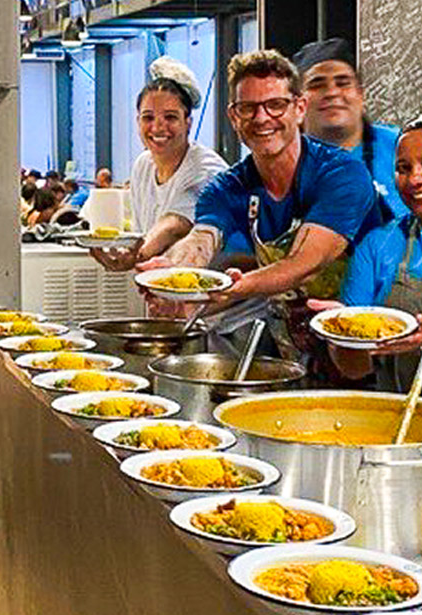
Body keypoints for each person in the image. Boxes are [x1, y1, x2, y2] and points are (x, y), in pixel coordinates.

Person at [145, 50, 383, 362]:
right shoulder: (228, 187)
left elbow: (305, 263)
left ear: (299, 109)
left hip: (369, 345)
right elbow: (202, 238)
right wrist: (172, 272)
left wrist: (235, 287)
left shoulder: (340, 174)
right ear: (234, 117)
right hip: (295, 348)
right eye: (248, 108)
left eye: (275, 105)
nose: (261, 118)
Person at [91, 57, 228, 272]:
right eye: (148, 117)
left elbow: (176, 224)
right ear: (137, 122)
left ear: (188, 123)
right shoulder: (143, 166)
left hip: (215, 297)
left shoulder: (206, 168)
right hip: (164, 289)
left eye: (171, 117)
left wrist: (137, 254)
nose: (158, 127)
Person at [322, 116, 422, 390]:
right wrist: (342, 334)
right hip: (398, 422)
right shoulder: (378, 245)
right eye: (404, 167)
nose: (415, 179)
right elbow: (355, 370)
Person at [293, 37, 408, 222]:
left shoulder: (401, 147)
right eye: (317, 84)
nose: (332, 92)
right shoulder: (283, 163)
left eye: (343, 82)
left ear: (361, 94)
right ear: (297, 102)